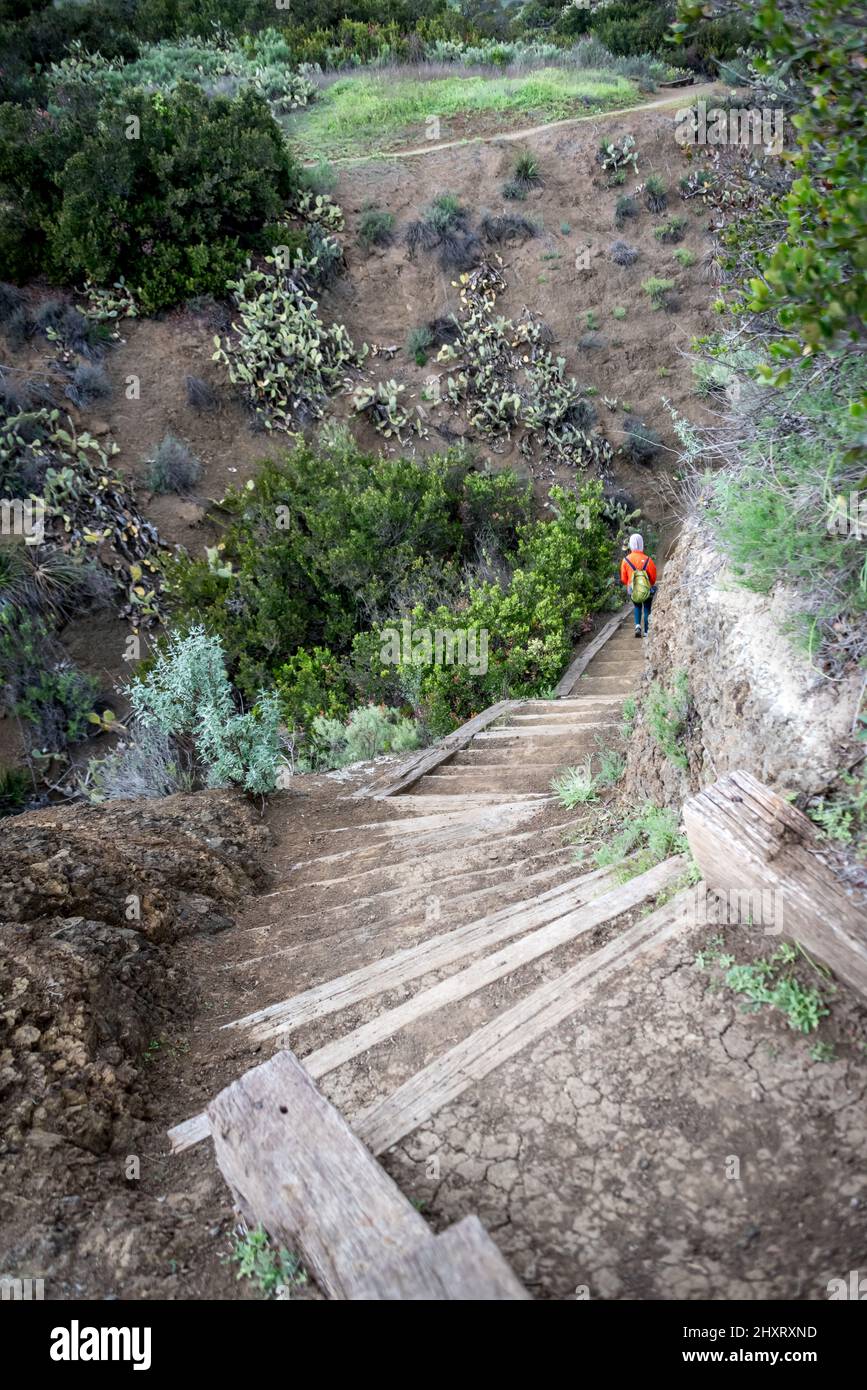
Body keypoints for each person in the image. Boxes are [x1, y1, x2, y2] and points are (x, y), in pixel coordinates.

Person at [620, 532, 657, 637]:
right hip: (646, 588)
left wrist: (629, 583)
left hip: (632, 589)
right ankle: (646, 631)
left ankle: (637, 625)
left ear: (631, 544)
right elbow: (653, 577)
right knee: (646, 608)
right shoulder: (648, 560)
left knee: (637, 605)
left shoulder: (626, 560)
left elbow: (623, 578)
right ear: (641, 543)